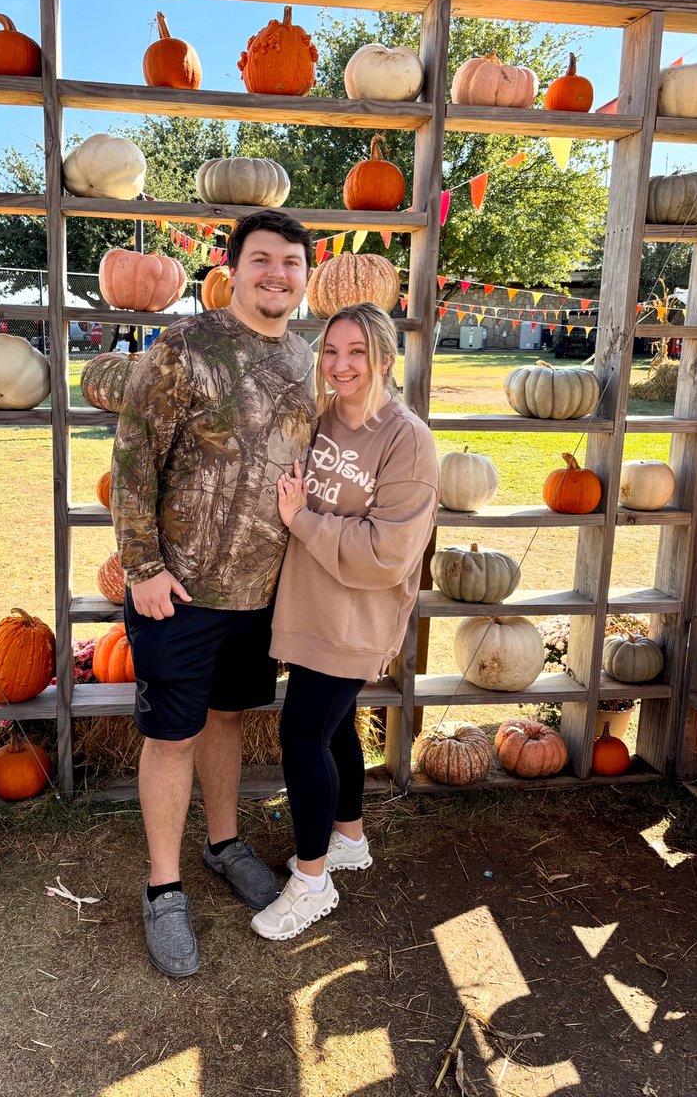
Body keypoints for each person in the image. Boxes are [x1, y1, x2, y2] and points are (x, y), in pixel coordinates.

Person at [111, 209, 316, 977]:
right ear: (232, 267)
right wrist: (142, 567)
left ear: (304, 274)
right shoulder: (183, 348)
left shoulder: (303, 361)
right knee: (171, 735)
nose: (277, 274)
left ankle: (224, 844)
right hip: (180, 592)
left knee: (228, 718)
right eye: (261, 259)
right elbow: (134, 456)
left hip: (262, 592)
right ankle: (164, 889)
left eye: (290, 262)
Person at [250, 302, 439, 941]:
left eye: (356, 352)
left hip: (359, 616)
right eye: (331, 351)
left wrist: (304, 522)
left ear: (384, 358)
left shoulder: (406, 439)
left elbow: (389, 551)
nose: (340, 365)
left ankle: (312, 882)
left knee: (302, 735)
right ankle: (349, 838)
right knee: (332, 732)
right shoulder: (321, 421)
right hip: (308, 605)